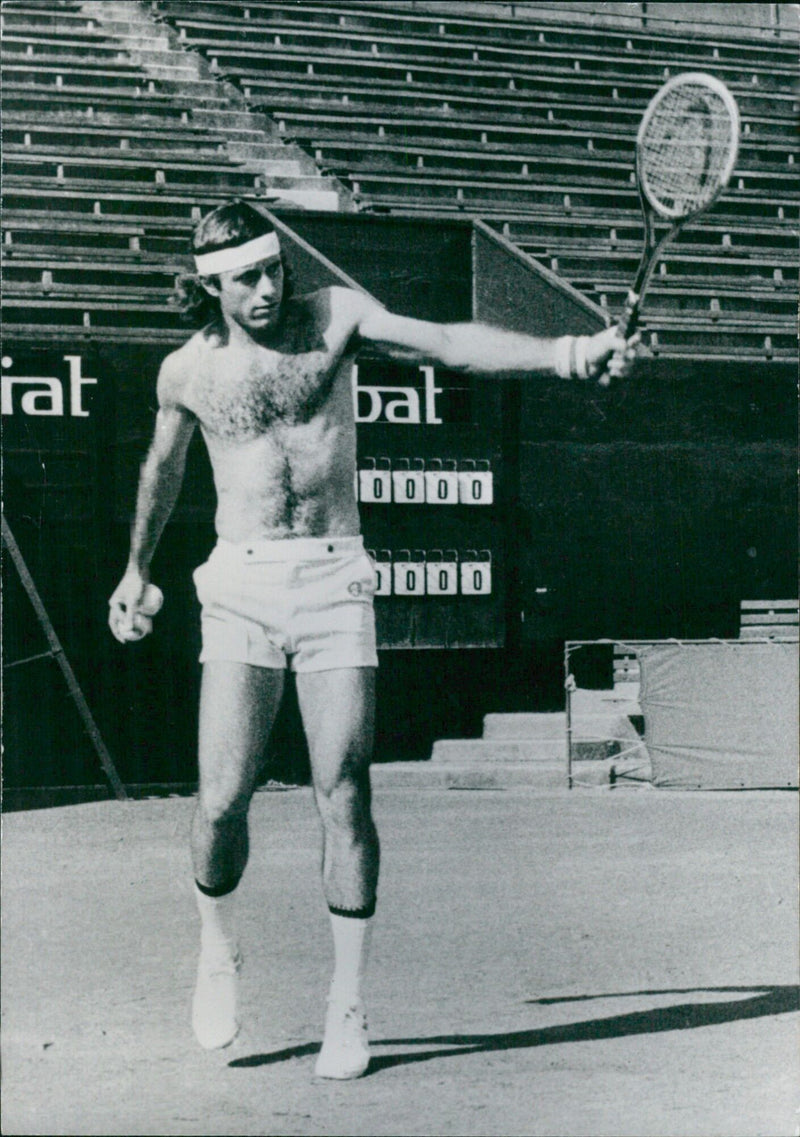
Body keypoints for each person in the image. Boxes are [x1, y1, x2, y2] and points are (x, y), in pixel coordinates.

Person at [108, 199, 638, 1079]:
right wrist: (135, 568)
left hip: (334, 578)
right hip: (238, 582)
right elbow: (161, 469)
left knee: (344, 790)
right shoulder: (184, 374)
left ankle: (348, 1005)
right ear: (210, 286)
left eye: (275, 267)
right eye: (247, 277)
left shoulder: (336, 316)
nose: (270, 287)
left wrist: (568, 353)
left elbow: (446, 342)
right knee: (220, 801)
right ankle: (216, 945)